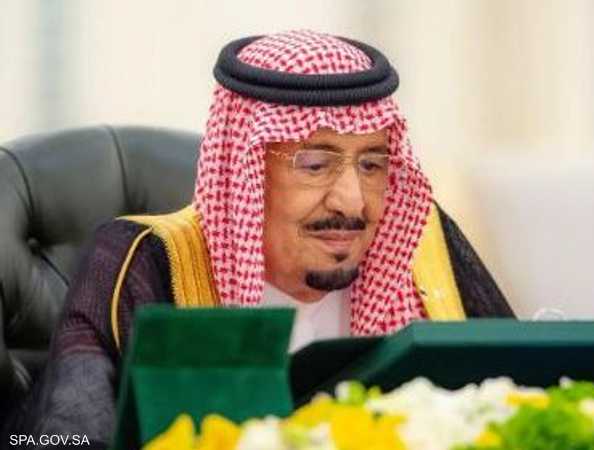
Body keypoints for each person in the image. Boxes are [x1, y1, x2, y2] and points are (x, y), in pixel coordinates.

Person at [3, 30, 513, 449]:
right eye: (315, 164)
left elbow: (523, 400)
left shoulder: (424, 247)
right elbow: (64, 439)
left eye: (373, 164)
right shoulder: (145, 261)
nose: (353, 202)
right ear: (244, 171)